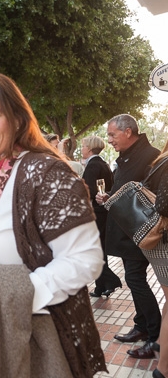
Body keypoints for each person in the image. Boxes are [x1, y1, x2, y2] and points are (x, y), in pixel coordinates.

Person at [0, 72, 106, 377]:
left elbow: (85, 260)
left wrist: (13, 298)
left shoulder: (45, 174)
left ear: (16, 119)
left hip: (29, 338)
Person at [96, 113, 161, 359]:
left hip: (141, 231)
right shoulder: (127, 156)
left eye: (112, 134)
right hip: (127, 231)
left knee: (135, 280)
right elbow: (126, 189)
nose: (109, 139)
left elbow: (148, 195)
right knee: (134, 280)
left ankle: (155, 337)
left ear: (128, 132)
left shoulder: (150, 155)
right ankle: (142, 326)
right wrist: (108, 196)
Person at [139, 141, 168, 378]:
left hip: (155, 241)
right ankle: (163, 369)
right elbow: (163, 204)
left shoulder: (161, 161)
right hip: (163, 242)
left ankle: (160, 344)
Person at [81, 135, 122, 297]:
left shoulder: (92, 166)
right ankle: (101, 286)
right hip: (104, 213)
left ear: (90, 148)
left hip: (96, 214)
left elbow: (88, 191)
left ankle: (110, 280)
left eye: (83, 146)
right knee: (99, 250)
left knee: (93, 251)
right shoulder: (103, 164)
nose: (82, 149)